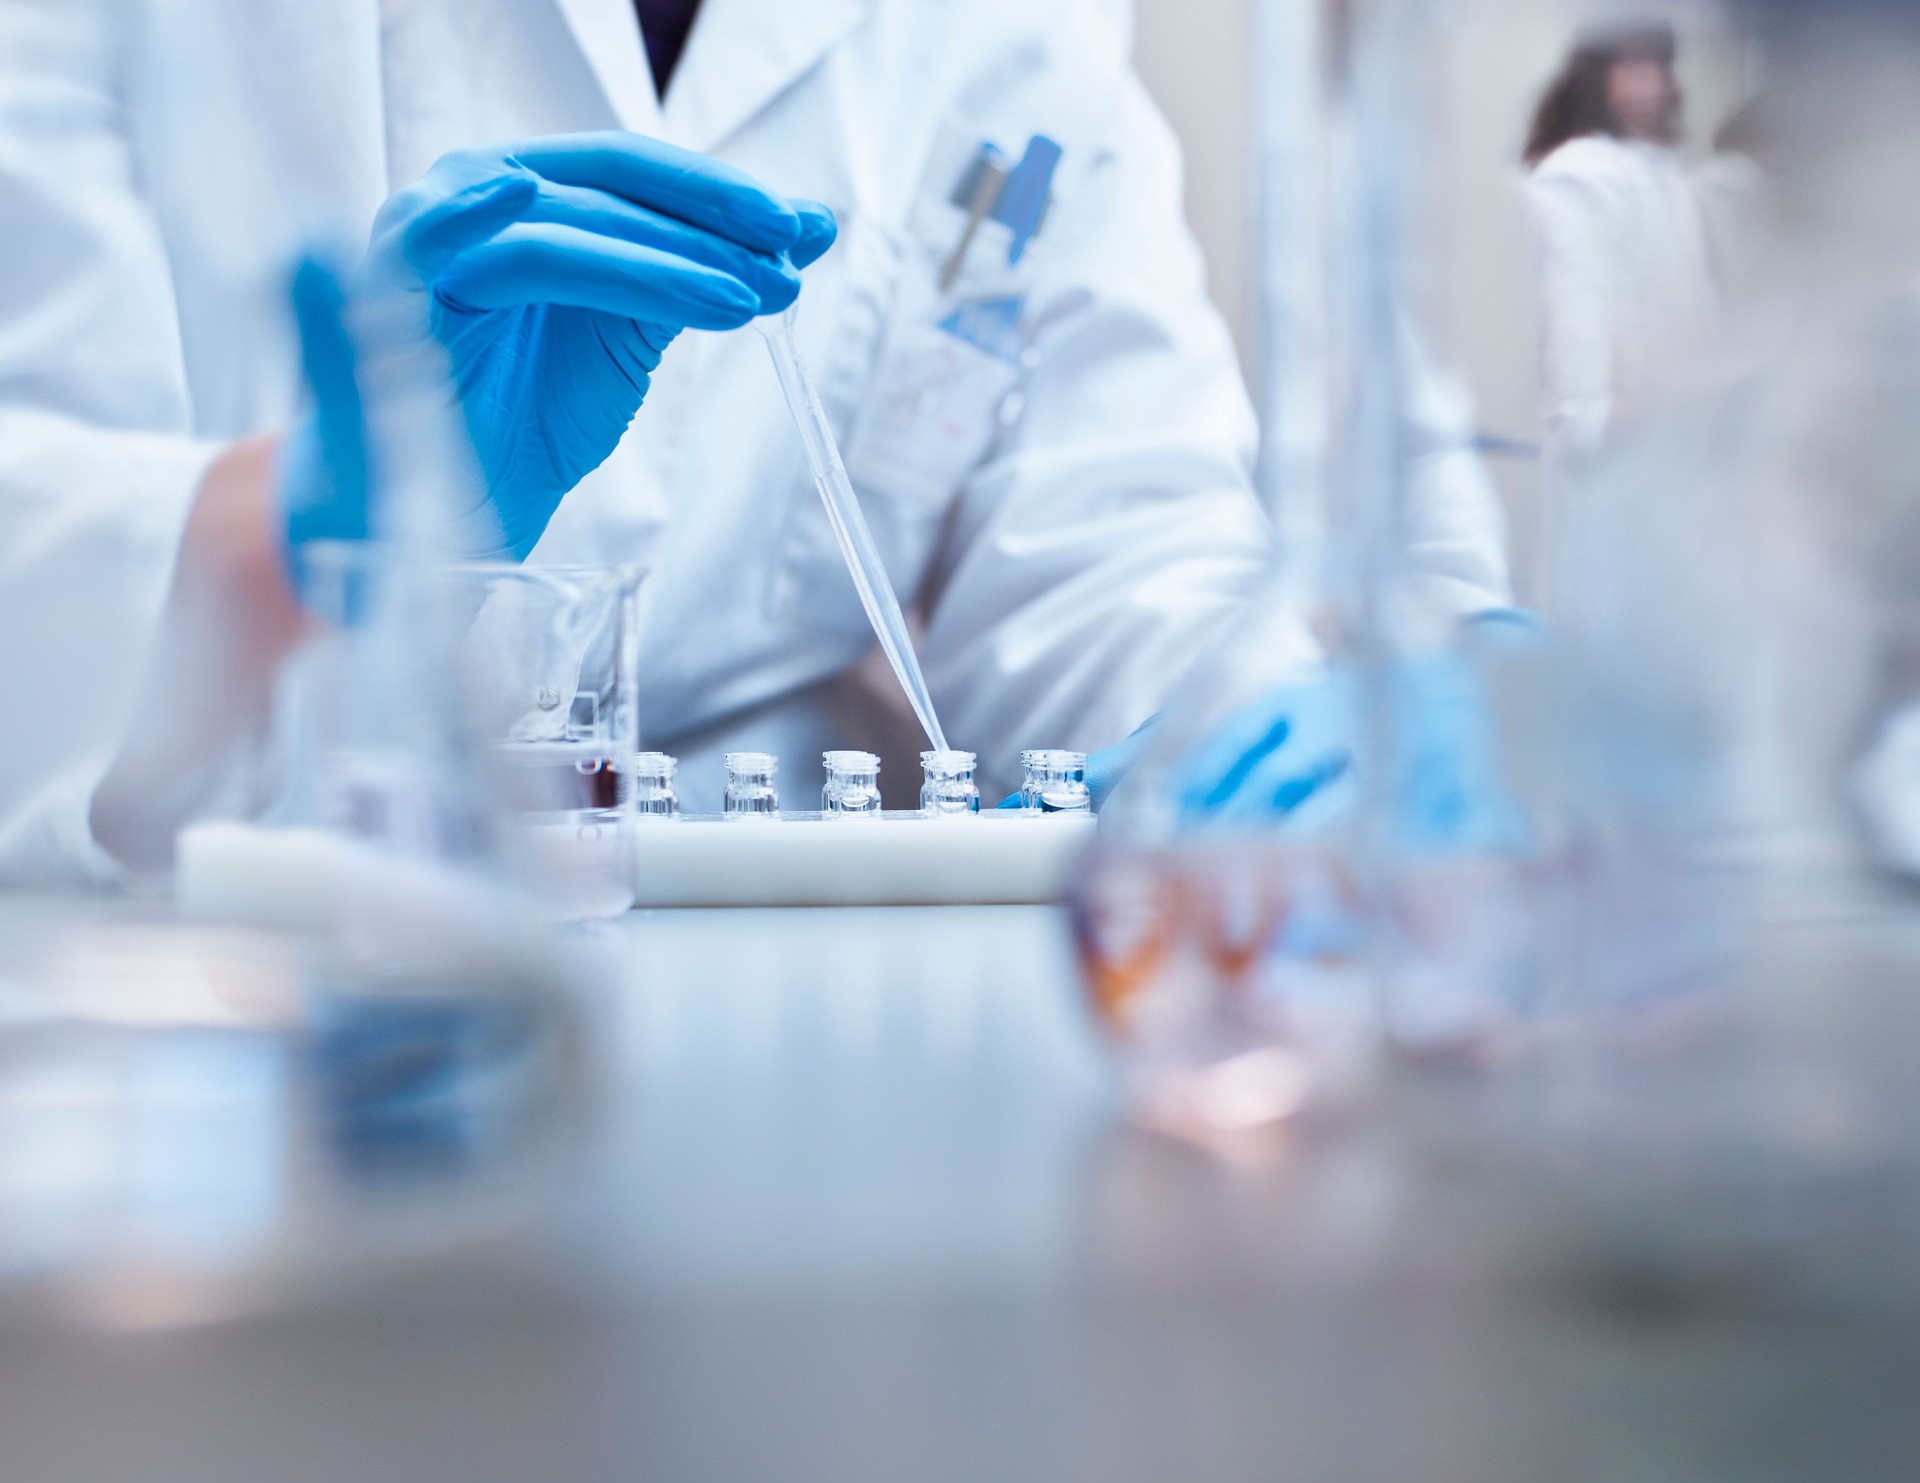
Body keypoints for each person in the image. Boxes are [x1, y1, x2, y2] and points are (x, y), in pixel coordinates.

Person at [0, 0, 1511, 881]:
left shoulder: (1011, 30)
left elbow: (1113, 549)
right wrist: (292, 536)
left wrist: (1286, 739)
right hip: (224, 995)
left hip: (810, 988)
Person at [1522, 19, 1720, 458]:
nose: (1652, 81)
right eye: (1632, 64)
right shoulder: (1578, 173)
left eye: (1659, 64)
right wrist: (1589, 422)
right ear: (1595, 73)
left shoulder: (1666, 174)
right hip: (1616, 448)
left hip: (1674, 444)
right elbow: (1576, 317)